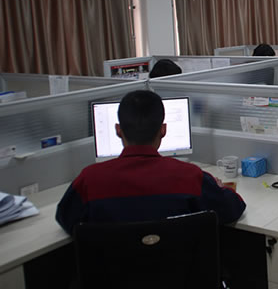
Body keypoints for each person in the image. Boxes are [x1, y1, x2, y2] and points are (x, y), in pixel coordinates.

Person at [56, 90, 246, 235]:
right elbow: (234, 209)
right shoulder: (190, 177)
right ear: (163, 130)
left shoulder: (89, 180)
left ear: (118, 130)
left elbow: (65, 219)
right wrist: (220, 188)